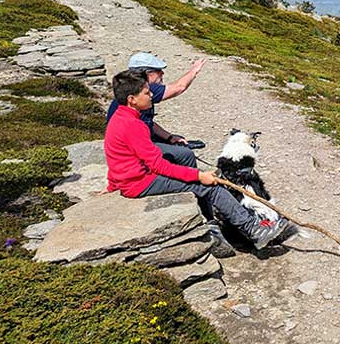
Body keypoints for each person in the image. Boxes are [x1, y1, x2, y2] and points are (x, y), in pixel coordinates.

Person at [104, 69, 289, 255]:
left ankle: (210, 217)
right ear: (132, 99)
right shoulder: (134, 126)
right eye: (146, 92)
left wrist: (113, 185)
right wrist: (199, 176)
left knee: (187, 159)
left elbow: (115, 156)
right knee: (211, 187)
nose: (151, 95)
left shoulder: (119, 117)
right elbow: (157, 166)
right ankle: (253, 229)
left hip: (130, 179)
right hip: (139, 182)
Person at [106, 52, 204, 167]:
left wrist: (170, 137)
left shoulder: (134, 91)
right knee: (185, 155)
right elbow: (179, 88)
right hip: (135, 146)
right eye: (158, 71)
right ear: (148, 74)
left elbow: (148, 122)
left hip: (136, 140)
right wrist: (194, 71)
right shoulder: (143, 91)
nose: (162, 73)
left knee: (179, 144)